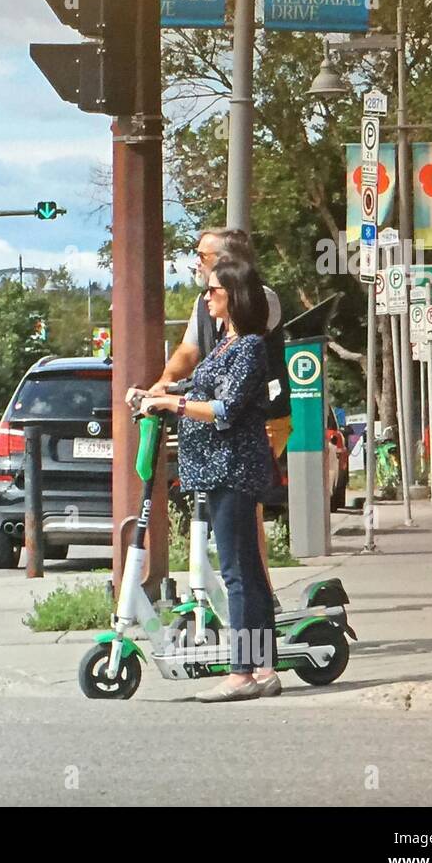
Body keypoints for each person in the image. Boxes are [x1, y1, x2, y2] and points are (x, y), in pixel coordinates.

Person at [138, 257, 278, 701]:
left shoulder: (250, 346)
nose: (206, 297)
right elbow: (203, 389)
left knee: (237, 572)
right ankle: (263, 666)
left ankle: (242, 673)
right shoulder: (225, 343)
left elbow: (225, 409)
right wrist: (158, 393)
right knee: (249, 572)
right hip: (221, 468)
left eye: (213, 290)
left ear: (233, 295)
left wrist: (173, 407)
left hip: (233, 467)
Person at [127, 227, 290, 606]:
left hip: (258, 420)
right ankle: (242, 600)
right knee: (228, 518)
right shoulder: (207, 303)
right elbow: (190, 349)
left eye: (203, 256)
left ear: (227, 261)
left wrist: (175, 401)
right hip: (217, 428)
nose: (196, 264)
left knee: (244, 514)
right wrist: (162, 385)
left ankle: (258, 599)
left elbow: (237, 375)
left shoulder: (257, 301)